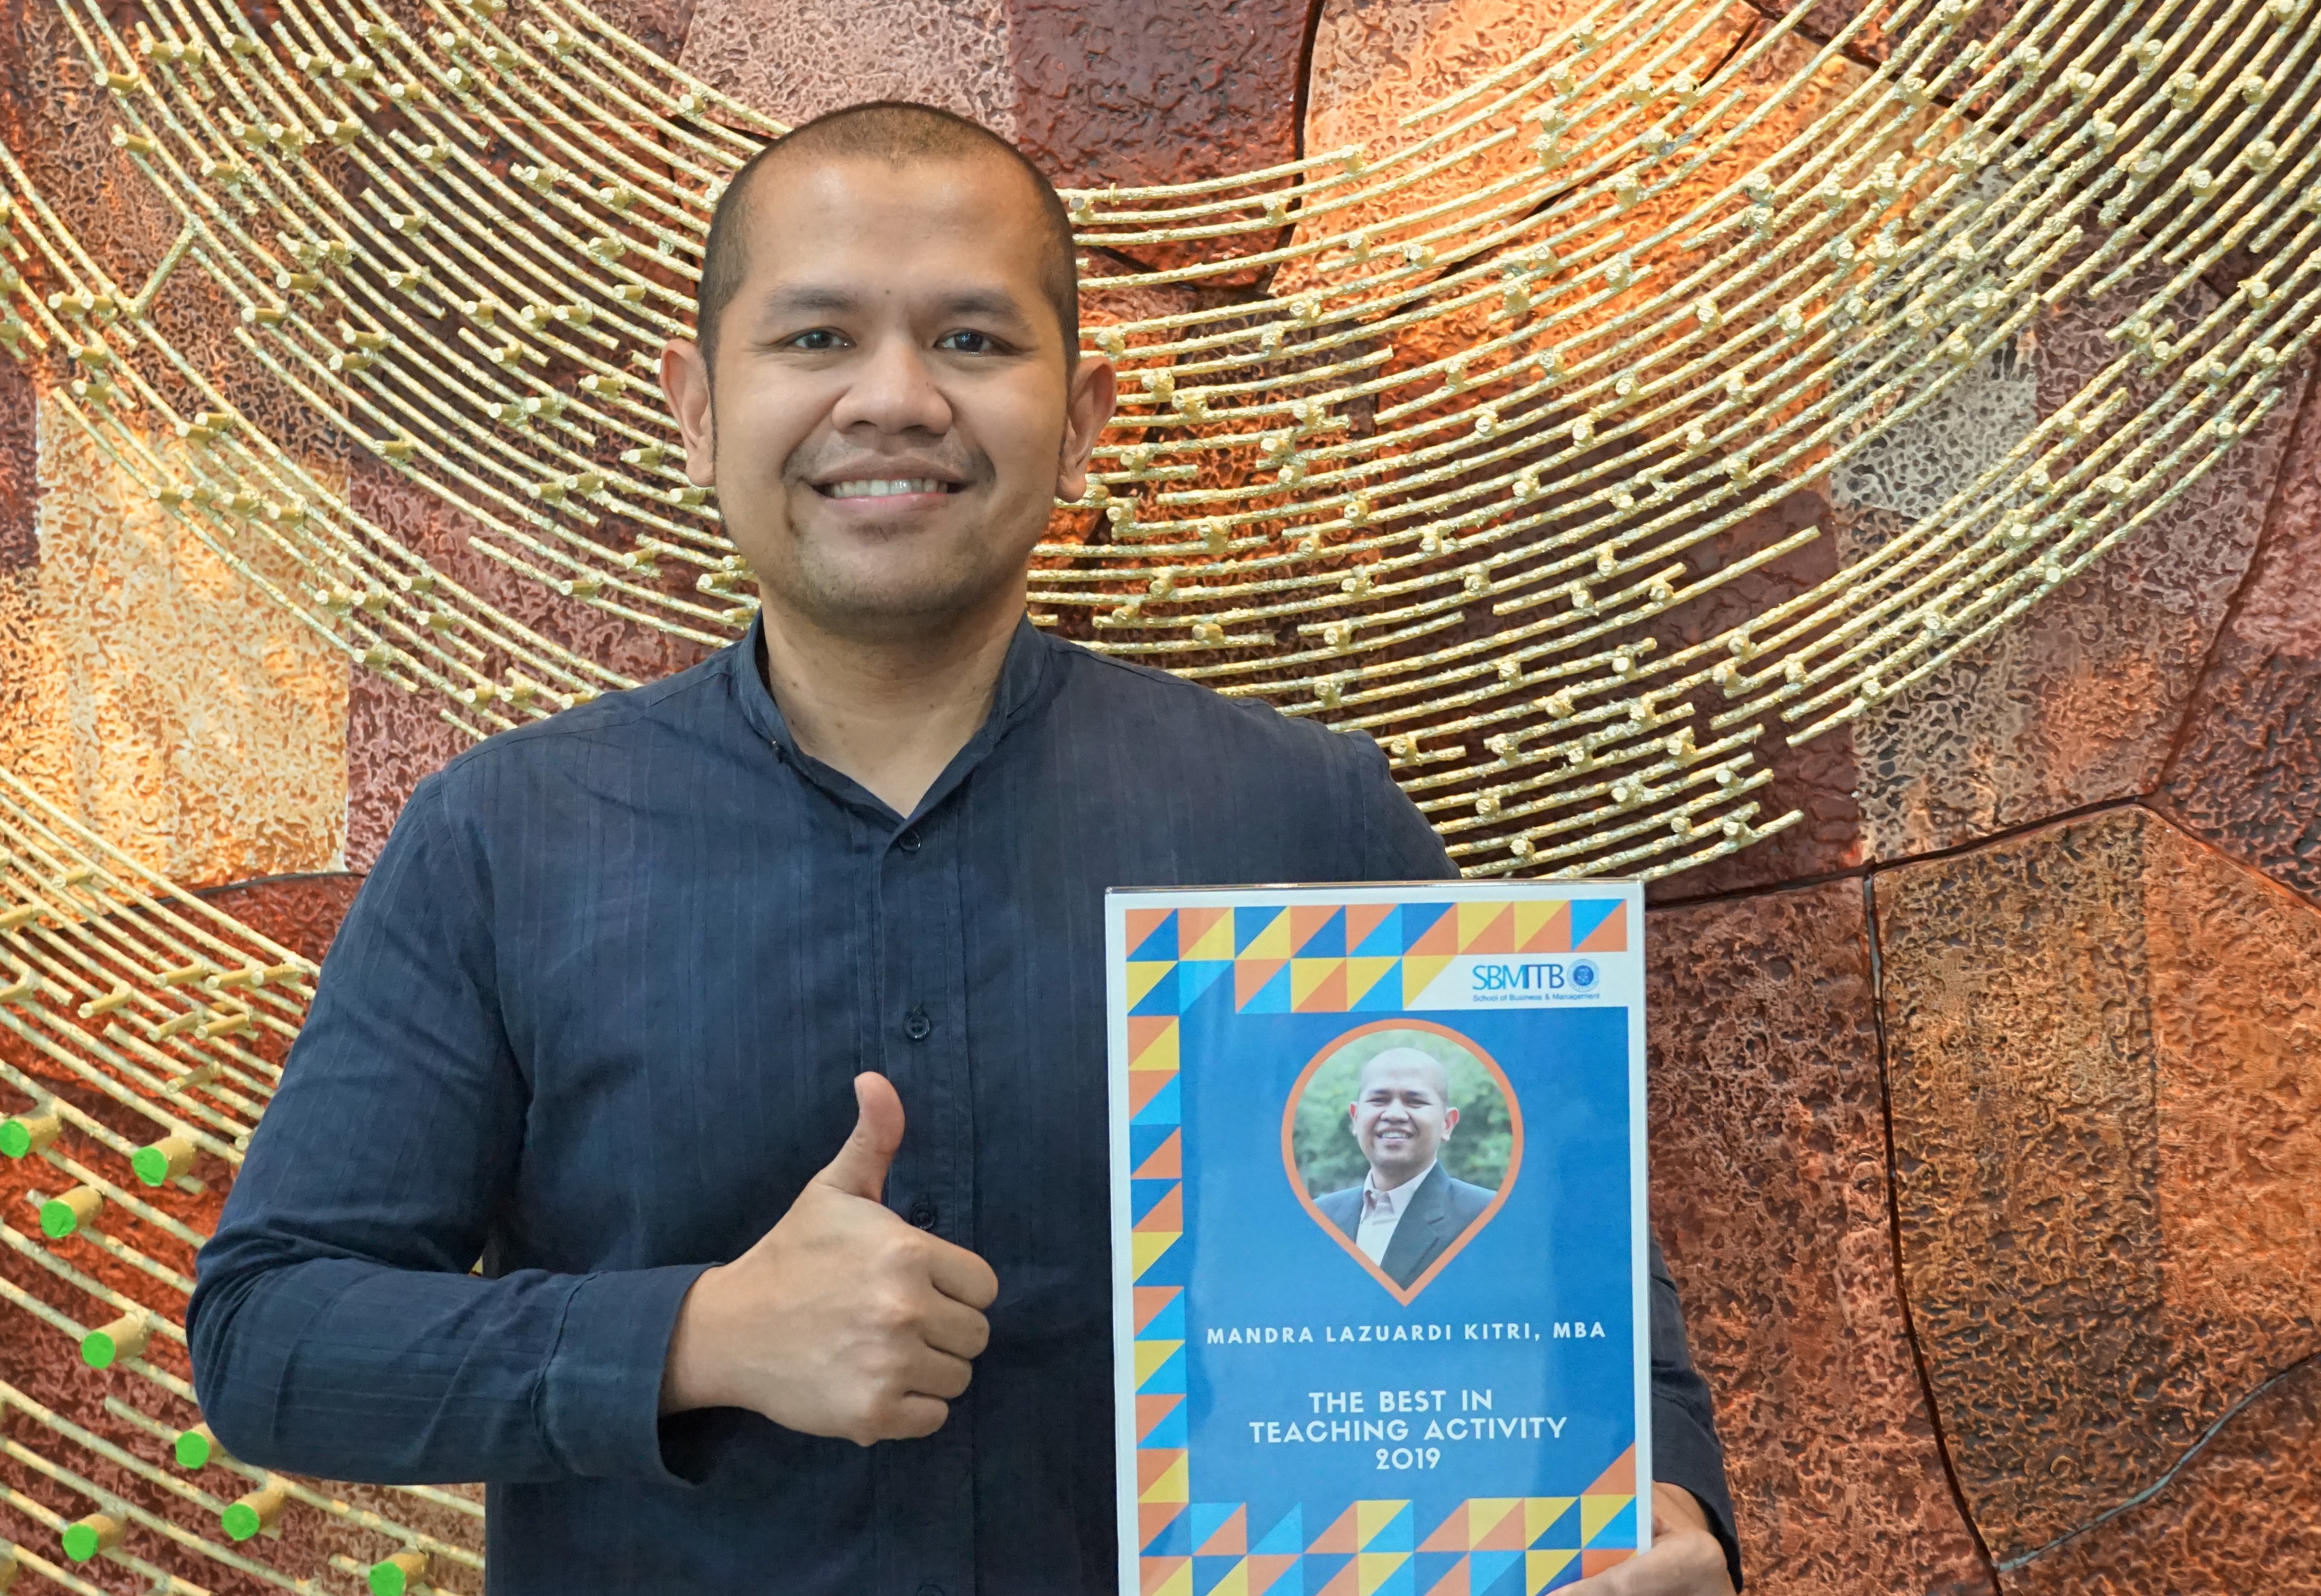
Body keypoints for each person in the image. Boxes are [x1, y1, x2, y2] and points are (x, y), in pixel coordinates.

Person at [187, 101, 1740, 1595]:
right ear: (696, 410)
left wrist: (1659, 1508)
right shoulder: (506, 836)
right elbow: (272, 1336)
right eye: (816, 337)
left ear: (1082, 422)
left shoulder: (1305, 819)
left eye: (974, 341)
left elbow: (1567, 1291)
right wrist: (698, 1334)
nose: (894, 398)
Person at [1312, 1050, 1498, 1285]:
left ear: (1447, 1124)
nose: (1394, 1115)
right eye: (1379, 1100)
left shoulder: (1488, 1218)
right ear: (1356, 1118)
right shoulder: (1318, 1219)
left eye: (1415, 1102)